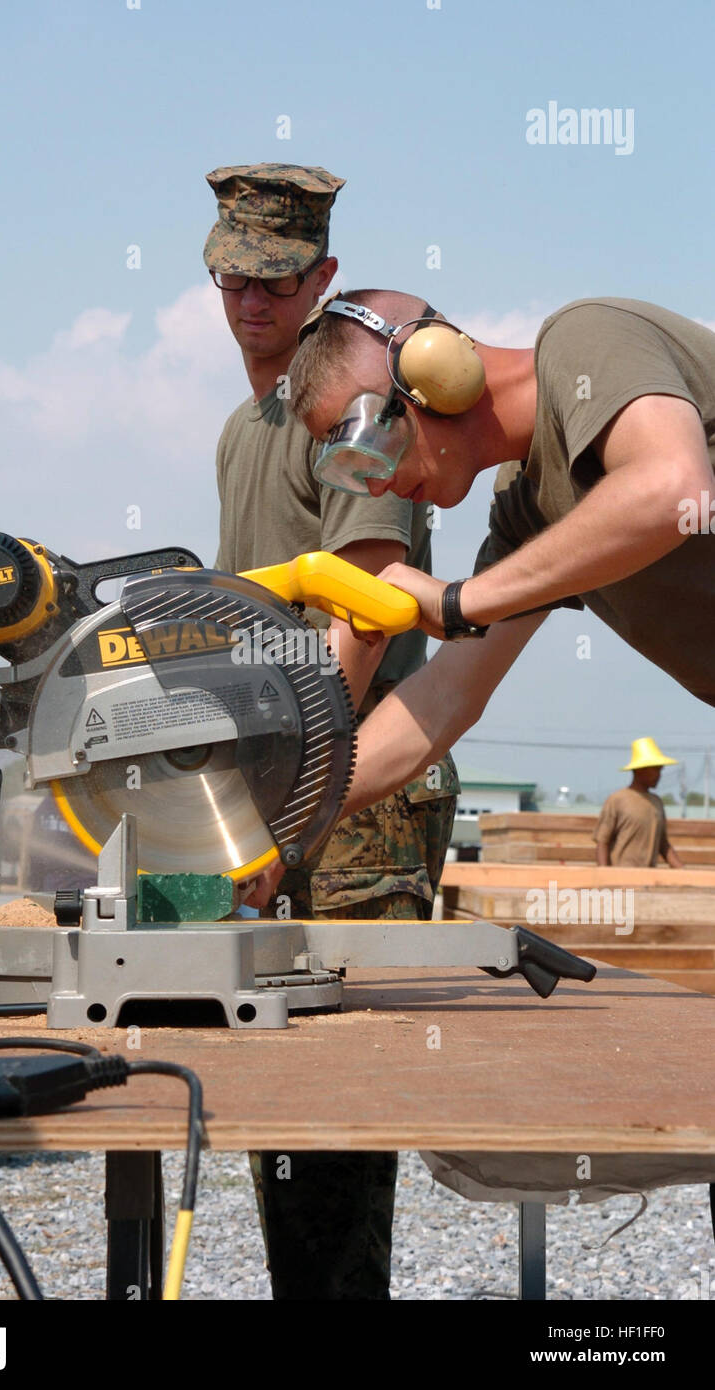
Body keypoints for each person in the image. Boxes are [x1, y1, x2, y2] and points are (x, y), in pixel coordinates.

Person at [203, 168, 459, 1299]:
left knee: (335, 1102)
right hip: (276, 782)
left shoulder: (352, 414)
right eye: (229, 276)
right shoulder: (239, 430)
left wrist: (301, 783)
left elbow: (363, 609)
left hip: (360, 780)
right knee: (274, 1082)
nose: (249, 301)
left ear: (321, 280)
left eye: (272, 280)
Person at [281, 291, 715, 816]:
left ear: (434, 367)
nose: (375, 486)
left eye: (367, 437)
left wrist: (460, 603)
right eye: (348, 464)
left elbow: (675, 491)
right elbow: (444, 701)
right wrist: (289, 822)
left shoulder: (585, 336)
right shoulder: (523, 508)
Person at [595, 737, 684, 868]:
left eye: (660, 770)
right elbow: (603, 841)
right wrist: (604, 874)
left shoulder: (657, 803)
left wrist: (682, 870)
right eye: (655, 770)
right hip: (622, 876)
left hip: (648, 879)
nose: (659, 775)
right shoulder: (617, 800)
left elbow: (663, 844)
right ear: (639, 770)